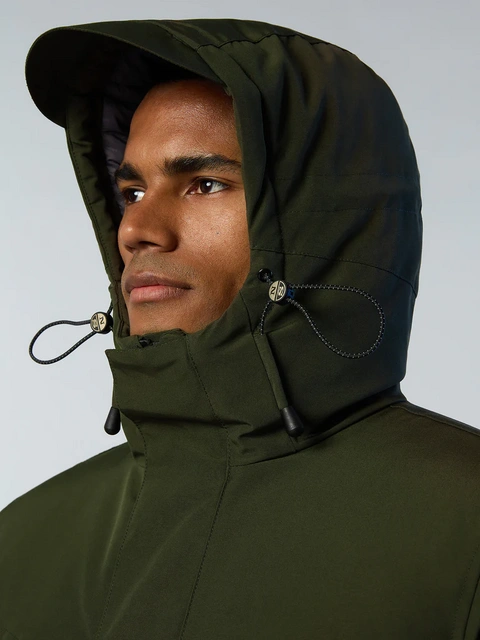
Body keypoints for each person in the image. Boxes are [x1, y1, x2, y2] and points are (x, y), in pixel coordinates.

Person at [0, 17, 479, 640]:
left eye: (204, 184)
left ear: (321, 221)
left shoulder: (463, 523)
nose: (137, 230)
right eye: (133, 191)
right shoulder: (22, 542)